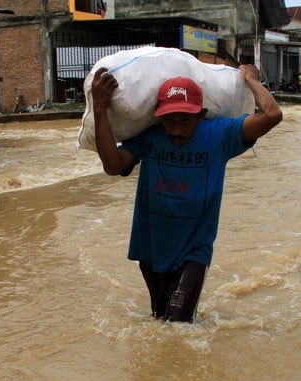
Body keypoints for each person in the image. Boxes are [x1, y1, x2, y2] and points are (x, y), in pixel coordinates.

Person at [91, 65, 282, 323]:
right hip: (150, 246)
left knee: (178, 326)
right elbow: (113, 166)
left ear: (201, 115)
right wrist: (100, 109)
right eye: (169, 121)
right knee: (159, 319)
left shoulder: (220, 134)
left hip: (194, 248)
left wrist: (249, 79)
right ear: (158, 117)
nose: (177, 130)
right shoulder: (150, 137)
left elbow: (272, 115)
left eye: (185, 121)